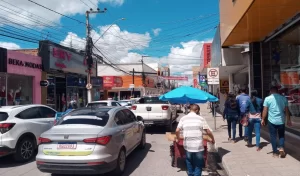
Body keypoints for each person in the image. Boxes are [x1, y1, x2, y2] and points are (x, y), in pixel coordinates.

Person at [175, 104, 215, 176]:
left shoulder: (183, 118)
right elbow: (208, 131)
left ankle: (190, 174)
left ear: (190, 109)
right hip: (198, 146)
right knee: (198, 163)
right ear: (197, 110)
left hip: (188, 146)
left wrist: (178, 138)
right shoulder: (200, 119)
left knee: (189, 161)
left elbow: (177, 130)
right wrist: (213, 139)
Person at [262, 86, 292, 158]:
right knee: (281, 135)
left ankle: (275, 152)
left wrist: (263, 119)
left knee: (273, 136)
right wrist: (288, 120)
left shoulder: (267, 99)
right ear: (277, 91)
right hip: (281, 120)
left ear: (270, 91)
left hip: (271, 120)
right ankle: (281, 147)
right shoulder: (283, 98)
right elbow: (287, 110)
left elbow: (265, 110)